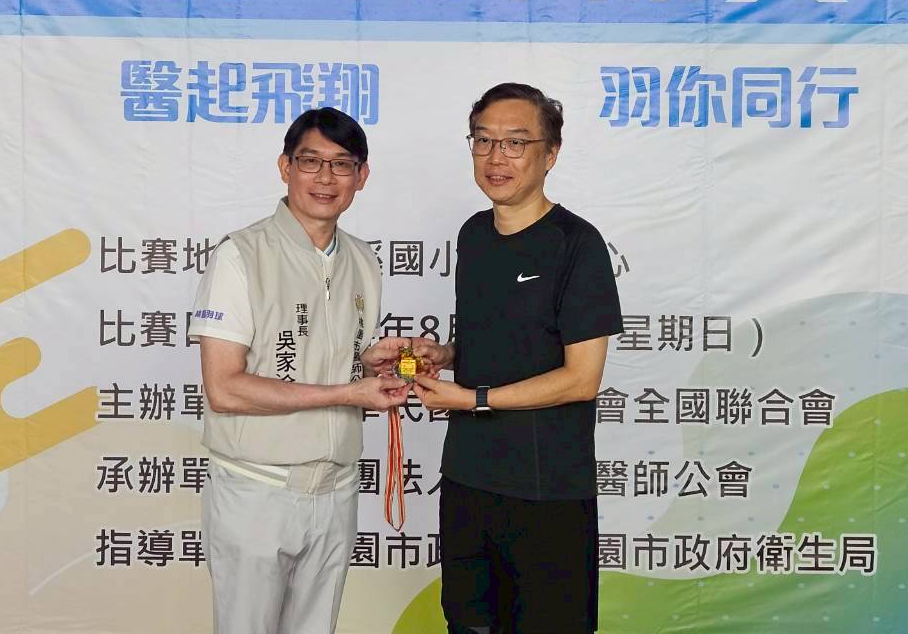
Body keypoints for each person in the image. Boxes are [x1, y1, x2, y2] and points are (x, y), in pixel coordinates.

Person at [410, 83, 623, 634]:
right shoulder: (474, 235)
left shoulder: (577, 244)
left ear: (550, 154)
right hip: (467, 479)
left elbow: (582, 378)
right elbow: (502, 340)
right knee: (468, 624)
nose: (495, 157)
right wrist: (445, 354)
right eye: (483, 140)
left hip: (546, 489)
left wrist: (474, 399)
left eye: (515, 142)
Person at [189, 107, 411, 634]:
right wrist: (349, 393)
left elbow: (328, 355)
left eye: (342, 164)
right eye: (311, 161)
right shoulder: (241, 255)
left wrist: (368, 362)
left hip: (336, 488)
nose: (325, 178)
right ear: (285, 167)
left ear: (362, 176)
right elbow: (224, 388)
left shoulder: (362, 259)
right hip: (256, 487)